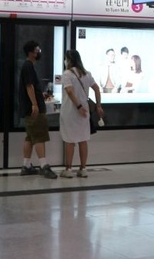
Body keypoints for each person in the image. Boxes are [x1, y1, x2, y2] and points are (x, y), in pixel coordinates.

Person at [59, 49, 104, 178]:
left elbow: (69, 91)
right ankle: (83, 168)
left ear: (69, 60)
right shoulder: (87, 74)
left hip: (70, 111)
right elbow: (97, 88)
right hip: (85, 112)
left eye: (66, 59)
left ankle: (68, 169)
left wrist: (78, 106)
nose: (65, 61)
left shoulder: (67, 74)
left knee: (70, 140)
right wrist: (98, 105)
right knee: (83, 140)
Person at [18, 41, 57, 179]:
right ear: (31, 52)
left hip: (28, 108)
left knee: (30, 136)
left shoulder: (28, 66)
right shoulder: (28, 66)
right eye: (37, 50)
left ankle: (26, 165)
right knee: (40, 135)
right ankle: (44, 165)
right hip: (34, 109)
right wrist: (35, 104)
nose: (39, 52)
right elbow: (29, 86)